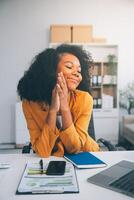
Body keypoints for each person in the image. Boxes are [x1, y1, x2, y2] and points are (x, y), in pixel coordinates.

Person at [17, 44, 100, 157]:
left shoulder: (85, 99)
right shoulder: (30, 104)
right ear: (51, 70)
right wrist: (53, 110)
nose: (77, 74)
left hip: (86, 155)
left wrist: (64, 106)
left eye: (79, 71)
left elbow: (74, 147)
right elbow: (43, 151)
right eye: (69, 67)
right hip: (51, 160)